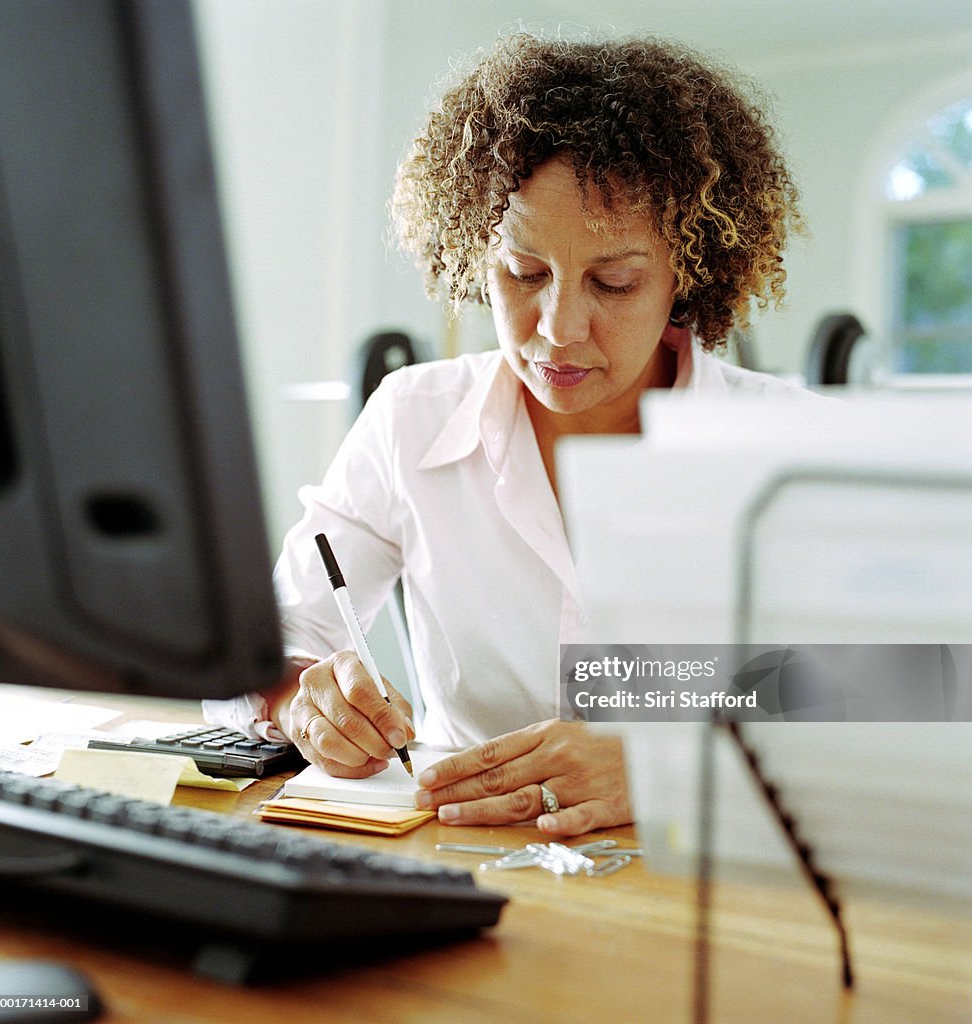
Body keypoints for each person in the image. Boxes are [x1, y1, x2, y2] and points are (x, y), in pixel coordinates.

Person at [206, 31, 804, 837]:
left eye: (614, 282)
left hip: (696, 879)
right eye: (523, 274)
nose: (557, 328)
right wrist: (300, 695)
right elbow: (273, 637)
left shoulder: (784, 444)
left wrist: (666, 760)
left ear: (686, 275)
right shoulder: (410, 417)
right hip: (464, 856)